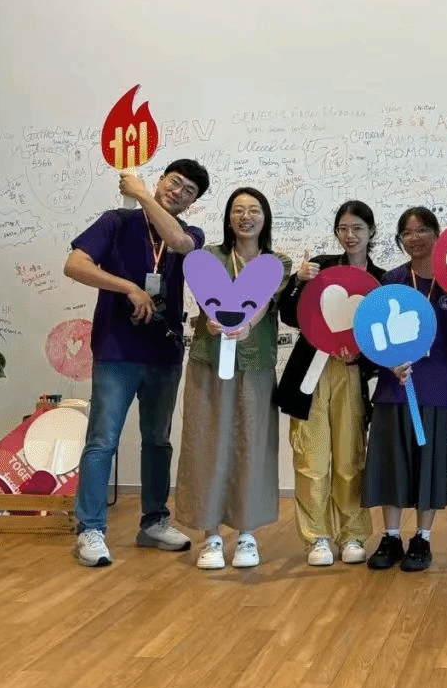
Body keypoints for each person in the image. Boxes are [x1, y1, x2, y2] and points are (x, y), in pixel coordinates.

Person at [64, 159, 209, 568]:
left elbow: (179, 243)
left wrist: (143, 194)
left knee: (158, 441)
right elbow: (74, 264)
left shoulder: (190, 234)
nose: (178, 192)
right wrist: (128, 286)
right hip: (117, 350)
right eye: (174, 182)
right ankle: (90, 528)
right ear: (161, 178)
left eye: (188, 192)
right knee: (102, 440)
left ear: (192, 203)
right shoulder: (115, 221)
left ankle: (154, 522)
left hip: (164, 351)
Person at [177, 188, 290, 570]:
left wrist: (245, 323)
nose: (246, 216)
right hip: (209, 362)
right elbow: (206, 298)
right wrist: (214, 322)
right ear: (228, 218)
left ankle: (247, 534)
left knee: (251, 444)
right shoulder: (208, 257)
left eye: (254, 210)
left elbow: (262, 302)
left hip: (255, 365)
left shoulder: (277, 263)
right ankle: (210, 535)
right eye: (238, 210)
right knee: (206, 442)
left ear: (265, 217)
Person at [276, 200, 385, 567]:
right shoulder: (320, 268)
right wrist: (297, 282)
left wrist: (361, 358)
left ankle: (353, 534)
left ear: (371, 232)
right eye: (343, 229)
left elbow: (383, 338)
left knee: (350, 460)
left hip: (351, 375)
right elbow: (290, 315)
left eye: (357, 228)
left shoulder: (382, 279)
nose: (350, 235)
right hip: (311, 376)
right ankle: (317, 536)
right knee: (311, 459)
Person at [362, 207, 447, 572]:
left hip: (436, 384)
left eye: (422, 230)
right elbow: (373, 332)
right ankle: (390, 536)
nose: (414, 237)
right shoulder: (392, 280)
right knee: (390, 461)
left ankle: (422, 538)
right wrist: (387, 364)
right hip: (395, 384)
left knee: (429, 463)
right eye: (407, 232)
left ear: (437, 234)